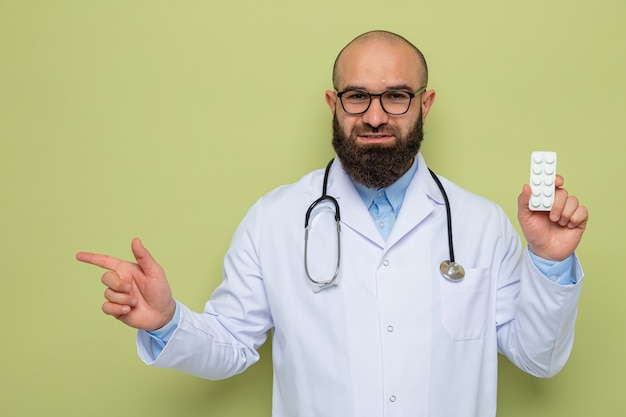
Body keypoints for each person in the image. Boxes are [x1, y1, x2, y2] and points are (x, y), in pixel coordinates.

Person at [76, 30, 589, 417]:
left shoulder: (482, 224)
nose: (373, 116)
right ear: (333, 103)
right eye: (356, 96)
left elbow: (538, 358)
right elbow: (231, 344)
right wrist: (168, 322)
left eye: (396, 96)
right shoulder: (274, 220)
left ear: (424, 105)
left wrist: (550, 262)